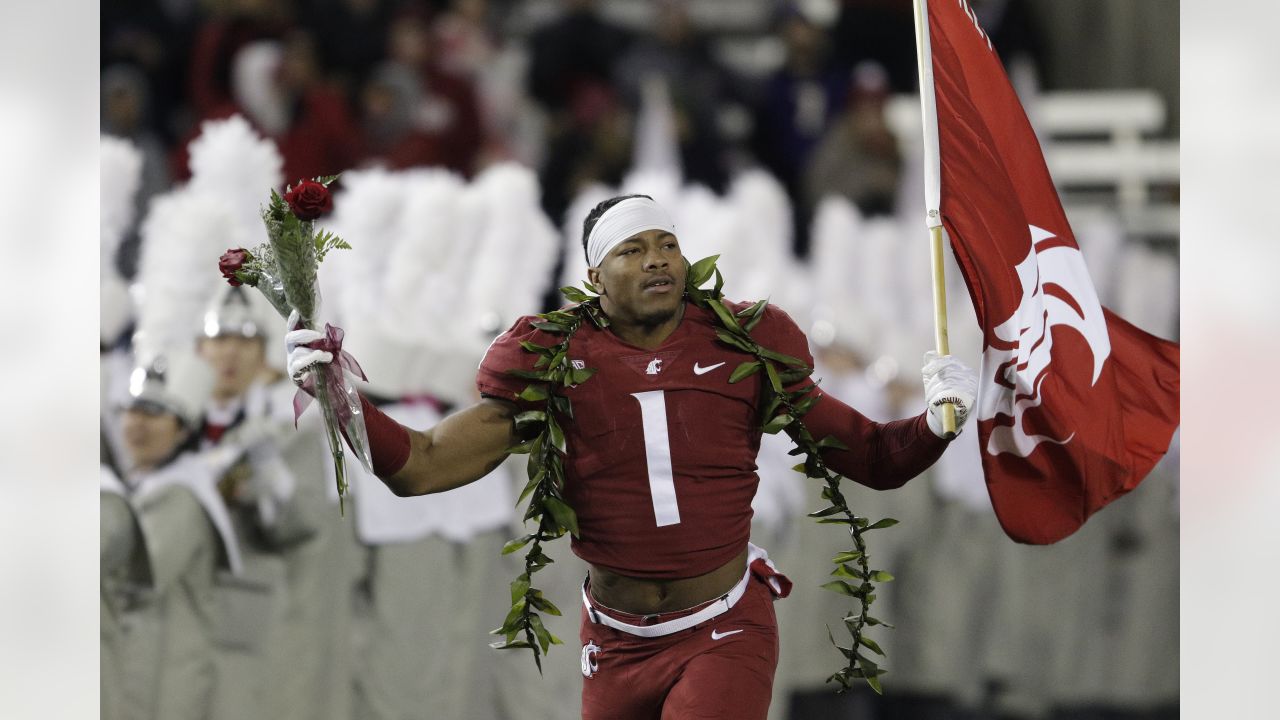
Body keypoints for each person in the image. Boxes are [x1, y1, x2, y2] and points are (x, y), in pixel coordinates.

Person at [285, 194, 978, 719]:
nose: (656, 259)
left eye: (668, 244)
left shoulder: (744, 348)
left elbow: (874, 458)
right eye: (633, 249)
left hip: (724, 624)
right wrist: (337, 394)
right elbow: (423, 465)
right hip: (615, 641)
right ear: (594, 276)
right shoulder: (555, 361)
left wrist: (936, 423)